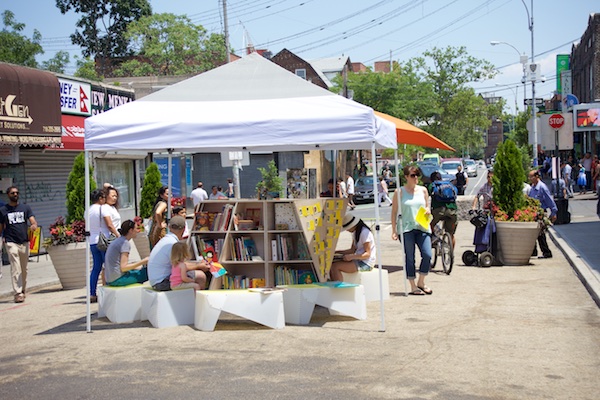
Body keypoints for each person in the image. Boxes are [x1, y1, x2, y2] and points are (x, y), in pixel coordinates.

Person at [391, 166, 433, 296]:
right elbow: (394, 212)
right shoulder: (400, 192)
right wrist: (393, 230)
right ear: (406, 177)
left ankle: (421, 281)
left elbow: (427, 205)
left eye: (417, 175)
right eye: (413, 175)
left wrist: (428, 209)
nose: (416, 178)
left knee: (427, 254)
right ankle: (413, 285)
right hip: (406, 228)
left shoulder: (423, 190)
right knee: (410, 256)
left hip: (422, 226)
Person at [148, 216, 209, 291]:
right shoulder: (173, 244)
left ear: (169, 227)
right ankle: (197, 302)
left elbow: (180, 264)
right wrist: (199, 266)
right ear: (183, 229)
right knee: (200, 276)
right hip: (162, 282)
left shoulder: (165, 241)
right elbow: (181, 266)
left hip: (156, 281)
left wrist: (198, 264)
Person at [0, 186, 38, 303]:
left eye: (17, 193)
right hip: (11, 241)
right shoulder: (3, 210)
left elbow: (33, 221)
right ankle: (18, 292)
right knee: (15, 267)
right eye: (12, 193)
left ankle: (23, 290)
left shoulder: (25, 208)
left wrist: (33, 226)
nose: (15, 194)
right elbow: (1, 227)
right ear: (8, 195)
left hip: (24, 241)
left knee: (24, 268)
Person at [329, 213, 376, 281]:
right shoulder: (356, 233)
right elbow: (352, 250)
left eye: (347, 228)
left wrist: (352, 257)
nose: (347, 230)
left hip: (366, 263)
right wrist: (337, 252)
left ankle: (340, 289)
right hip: (359, 259)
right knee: (332, 265)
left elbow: (367, 254)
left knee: (335, 267)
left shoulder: (364, 233)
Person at [104, 220, 149, 286]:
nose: (138, 231)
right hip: (117, 279)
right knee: (147, 272)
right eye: (136, 228)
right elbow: (124, 267)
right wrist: (143, 261)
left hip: (110, 279)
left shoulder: (118, 240)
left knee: (138, 271)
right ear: (131, 230)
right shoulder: (125, 243)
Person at [528, 170, 558, 259]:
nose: (530, 179)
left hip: (541, 213)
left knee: (540, 234)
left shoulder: (542, 187)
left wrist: (553, 212)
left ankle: (546, 252)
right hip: (533, 213)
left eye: (531, 177)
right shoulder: (533, 187)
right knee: (533, 233)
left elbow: (549, 200)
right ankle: (534, 251)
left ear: (537, 176)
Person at [428, 171, 458, 248]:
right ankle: (451, 254)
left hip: (438, 211)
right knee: (451, 234)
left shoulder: (433, 185)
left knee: (429, 224)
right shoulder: (449, 184)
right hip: (452, 210)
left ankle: (433, 236)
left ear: (431, 179)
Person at [88, 189, 106, 302]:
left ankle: (92, 293)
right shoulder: (101, 209)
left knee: (96, 268)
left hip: (92, 241)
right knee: (108, 266)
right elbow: (107, 223)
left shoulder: (88, 210)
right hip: (102, 239)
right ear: (100, 198)